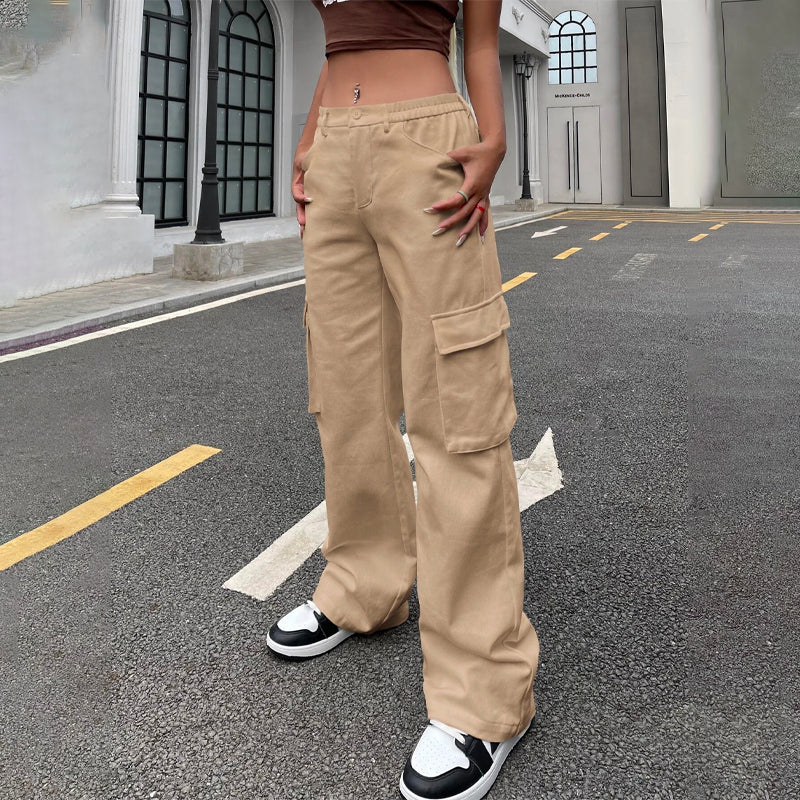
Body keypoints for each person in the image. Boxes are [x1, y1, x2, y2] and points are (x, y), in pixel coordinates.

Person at [267, 2, 540, 798]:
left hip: (428, 145)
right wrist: (312, 138)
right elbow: (339, 43)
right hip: (335, 154)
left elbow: (478, 38)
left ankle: (485, 691)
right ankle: (365, 584)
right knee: (345, 389)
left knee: (457, 402)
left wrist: (493, 138)